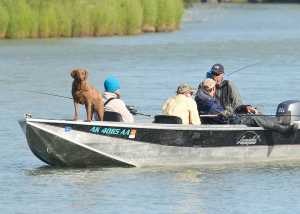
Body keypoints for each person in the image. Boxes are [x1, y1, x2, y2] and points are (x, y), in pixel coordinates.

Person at [195, 79, 294, 134]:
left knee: (249, 112)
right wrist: (229, 113)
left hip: (221, 119)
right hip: (229, 121)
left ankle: (279, 121)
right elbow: (222, 115)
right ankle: (281, 129)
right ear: (212, 89)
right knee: (254, 118)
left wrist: (238, 109)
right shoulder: (209, 101)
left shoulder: (200, 98)